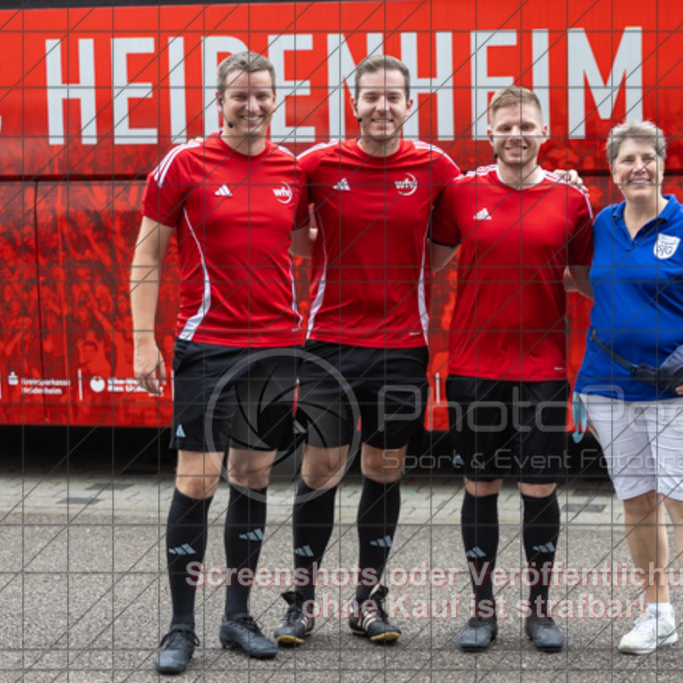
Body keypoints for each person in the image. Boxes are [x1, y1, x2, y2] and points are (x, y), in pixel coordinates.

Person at [274, 55, 461, 647]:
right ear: (353, 105)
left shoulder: (434, 166)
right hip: (328, 344)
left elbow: (473, 218)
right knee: (321, 470)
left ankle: (368, 603)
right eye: (370, 97)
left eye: (393, 98)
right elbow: (283, 224)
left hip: (403, 346)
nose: (382, 107)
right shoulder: (318, 163)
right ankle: (300, 603)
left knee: (383, 469)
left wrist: (561, 182)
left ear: (410, 105)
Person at [131, 51, 307, 674]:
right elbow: (147, 253)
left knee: (254, 477)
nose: (252, 105)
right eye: (240, 96)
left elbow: (307, 243)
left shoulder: (295, 169)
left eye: (263, 95)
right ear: (221, 100)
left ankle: (237, 617)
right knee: (198, 481)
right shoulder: (185, 163)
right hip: (207, 346)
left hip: (276, 350)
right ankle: (181, 627)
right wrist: (142, 339)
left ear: (275, 98)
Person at [572, 120, 683, 672]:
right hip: (606, 386)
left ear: (662, 164)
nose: (638, 168)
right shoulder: (599, 225)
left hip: (680, 387)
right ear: (613, 169)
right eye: (627, 160)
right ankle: (657, 614)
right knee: (637, 500)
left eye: (647, 158)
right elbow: (581, 278)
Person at [430, 86, 593, 653]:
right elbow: (426, 264)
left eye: (527, 126)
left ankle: (540, 610)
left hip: (543, 371)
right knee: (480, 487)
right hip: (474, 369)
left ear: (543, 133)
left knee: (540, 488)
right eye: (505, 127)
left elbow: (588, 279)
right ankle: (481, 610)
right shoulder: (460, 193)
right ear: (490, 134)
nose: (516, 135)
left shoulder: (572, 200)